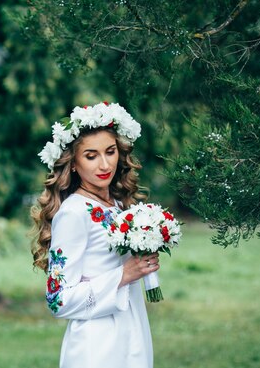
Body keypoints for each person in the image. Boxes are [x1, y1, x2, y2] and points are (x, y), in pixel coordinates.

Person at [31, 102, 159, 368]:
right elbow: (58, 300)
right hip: (97, 343)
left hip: (132, 329)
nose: (104, 164)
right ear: (74, 164)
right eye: (91, 156)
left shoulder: (118, 204)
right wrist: (124, 274)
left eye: (110, 152)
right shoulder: (73, 213)